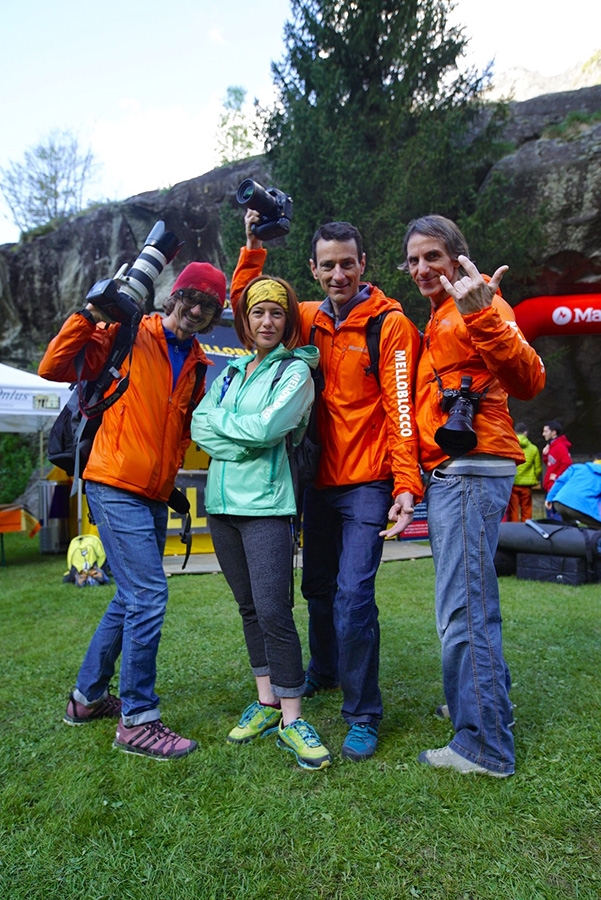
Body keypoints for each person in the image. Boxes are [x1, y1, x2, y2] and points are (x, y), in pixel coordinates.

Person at [230, 209, 422, 762]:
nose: (339, 275)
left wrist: (406, 483)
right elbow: (250, 305)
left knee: (354, 595)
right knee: (316, 589)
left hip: (368, 482)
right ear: (314, 270)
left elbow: (402, 409)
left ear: (364, 264)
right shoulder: (308, 318)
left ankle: (362, 713)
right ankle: (325, 669)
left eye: (348, 264)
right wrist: (253, 247)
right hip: (315, 482)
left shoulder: (391, 325)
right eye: (328, 266)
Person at [39, 261, 226, 759]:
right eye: (192, 298)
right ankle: (138, 719)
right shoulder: (129, 332)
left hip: (153, 492)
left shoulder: (200, 363)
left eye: (209, 305)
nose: (197, 310)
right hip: (113, 480)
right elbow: (53, 367)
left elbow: (180, 431)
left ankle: (87, 698)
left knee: (129, 597)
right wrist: (89, 314)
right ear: (174, 295)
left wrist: (170, 484)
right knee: (148, 594)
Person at [403, 214, 545, 777]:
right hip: (455, 471)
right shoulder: (440, 316)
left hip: (472, 470)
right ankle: (480, 704)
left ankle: (484, 744)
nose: (421, 268)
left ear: (458, 256)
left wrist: (482, 312)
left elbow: (530, 379)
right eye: (413, 260)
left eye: (432, 256)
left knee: (465, 608)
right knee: (466, 601)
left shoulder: (481, 303)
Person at [191, 274, 331, 770]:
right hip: (222, 505)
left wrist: (234, 435)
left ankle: (293, 718)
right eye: (257, 313)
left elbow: (274, 427)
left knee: (275, 611)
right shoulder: (228, 373)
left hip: (268, 505)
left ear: (287, 319)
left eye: (275, 313)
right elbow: (199, 424)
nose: (266, 321)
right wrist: (244, 438)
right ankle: (267, 701)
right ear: (246, 321)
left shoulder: (296, 372)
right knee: (249, 608)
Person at [545, 457, 601, 527]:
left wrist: (549, 497)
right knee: (596, 526)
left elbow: (560, 481)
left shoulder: (577, 467)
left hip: (559, 503)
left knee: (569, 527)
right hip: (579, 507)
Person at [506, 423, 542, 521]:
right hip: (527, 485)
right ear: (526, 433)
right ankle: (527, 527)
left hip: (513, 482)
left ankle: (514, 529)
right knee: (526, 508)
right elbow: (538, 468)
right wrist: (533, 477)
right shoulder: (533, 448)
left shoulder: (510, 445)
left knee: (514, 508)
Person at [542, 419, 572, 493]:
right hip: (551, 486)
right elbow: (552, 463)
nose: (543, 434)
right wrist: (545, 455)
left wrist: (557, 477)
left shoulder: (560, 446)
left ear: (554, 432)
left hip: (555, 487)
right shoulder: (552, 445)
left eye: (546, 431)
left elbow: (567, 463)